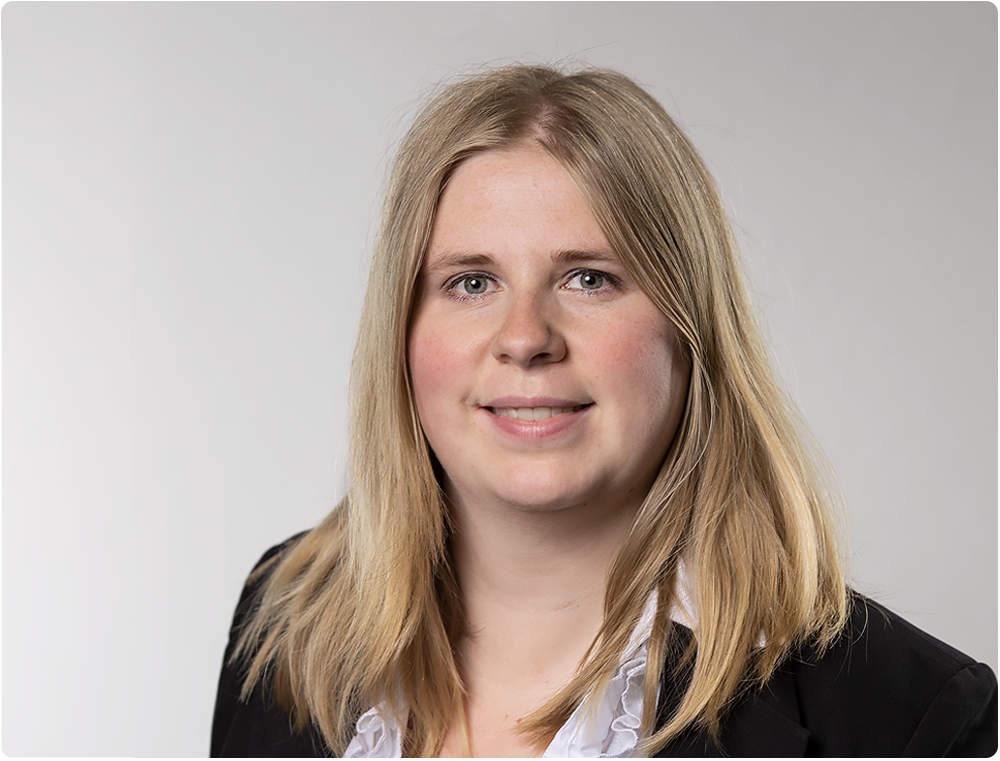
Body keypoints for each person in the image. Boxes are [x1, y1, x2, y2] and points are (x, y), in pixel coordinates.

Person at [210, 64, 997, 757]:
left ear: (689, 329)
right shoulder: (281, 618)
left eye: (588, 278)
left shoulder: (916, 720)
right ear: (401, 333)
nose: (525, 338)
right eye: (471, 282)